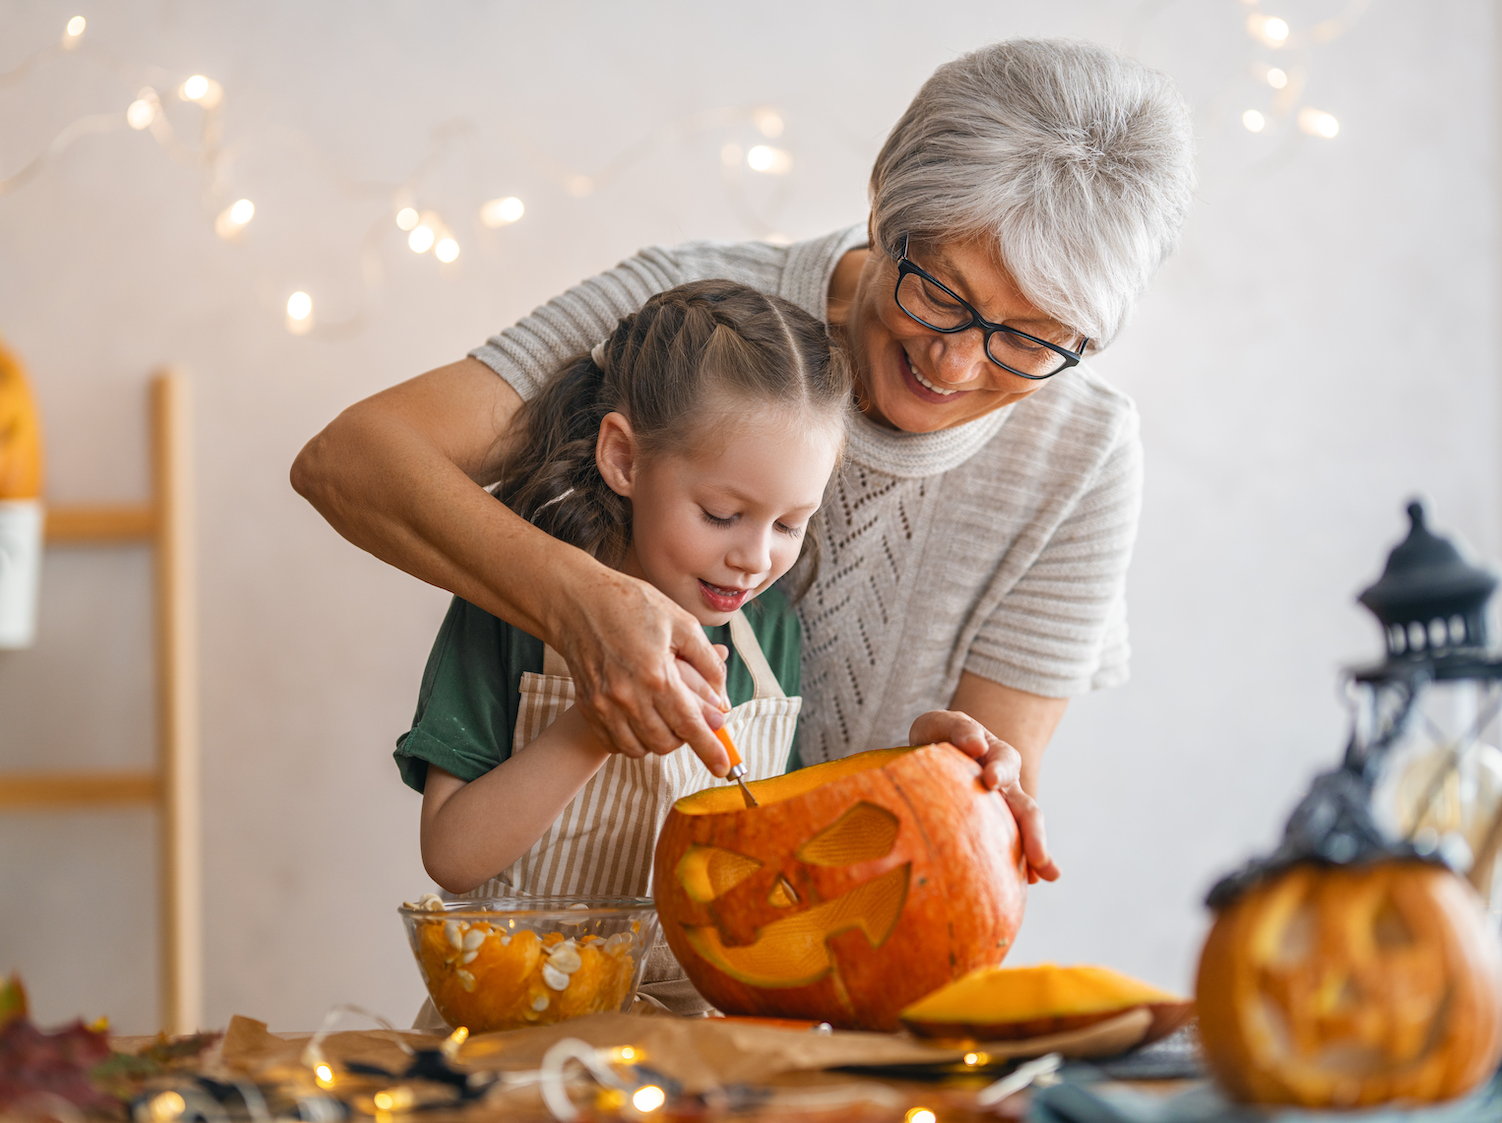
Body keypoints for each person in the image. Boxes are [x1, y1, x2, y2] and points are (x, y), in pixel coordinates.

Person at [293, 38, 1195, 877]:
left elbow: (971, 851)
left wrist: (954, 775)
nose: (955, 364)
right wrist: (582, 608)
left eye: (1029, 340)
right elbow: (353, 460)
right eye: (942, 293)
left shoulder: (1085, 458)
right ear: (886, 211)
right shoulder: (691, 321)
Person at [396, 280, 849, 1012]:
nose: (755, 557)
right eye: (723, 513)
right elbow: (452, 857)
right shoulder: (512, 611)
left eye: (791, 524)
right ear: (625, 459)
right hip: (518, 1033)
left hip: (698, 1045)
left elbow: (778, 852)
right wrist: (594, 723)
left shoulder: (769, 634)